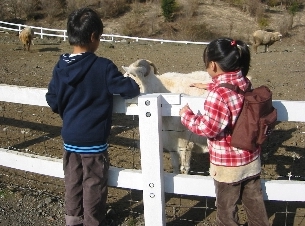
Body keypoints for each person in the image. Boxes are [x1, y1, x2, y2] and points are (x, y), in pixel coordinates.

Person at [45, 7, 140, 226]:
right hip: (94, 142)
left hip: (70, 138)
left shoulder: (61, 66)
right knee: (94, 184)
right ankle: (92, 221)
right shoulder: (103, 67)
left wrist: (67, 111)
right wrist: (131, 79)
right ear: (94, 37)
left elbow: (52, 98)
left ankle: (72, 219)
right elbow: (130, 90)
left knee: (73, 181)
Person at [179, 37, 269, 226]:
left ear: (212, 64)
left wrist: (186, 115)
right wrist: (209, 85)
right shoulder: (244, 81)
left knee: (226, 212)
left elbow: (209, 128)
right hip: (250, 158)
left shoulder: (218, 95)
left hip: (227, 165)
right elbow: (231, 87)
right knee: (255, 207)